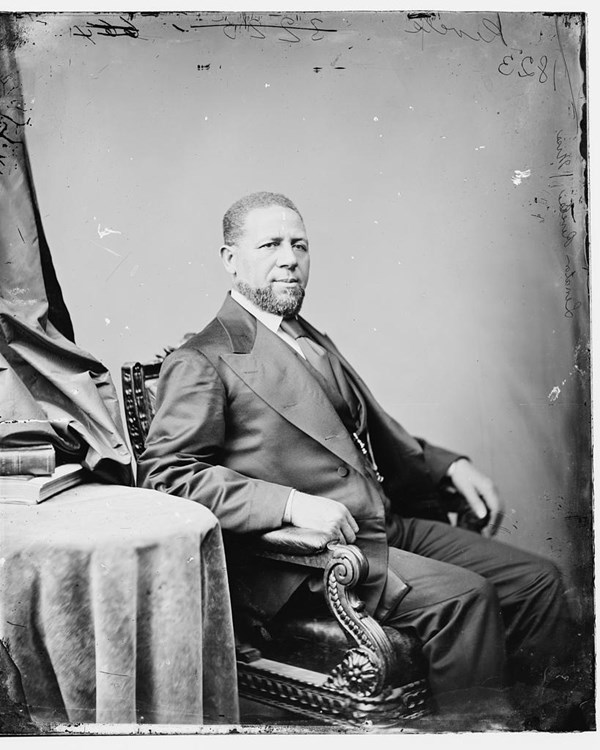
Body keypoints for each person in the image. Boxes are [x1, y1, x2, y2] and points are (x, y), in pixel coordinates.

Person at [137, 191, 571, 726]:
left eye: (299, 244)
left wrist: (446, 464)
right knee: (467, 598)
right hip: (316, 559)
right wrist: (290, 503)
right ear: (230, 259)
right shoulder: (203, 358)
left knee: (539, 581)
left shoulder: (307, 336)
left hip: (380, 523)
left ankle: (545, 730)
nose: (289, 258)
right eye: (270, 244)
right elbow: (167, 475)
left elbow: (369, 430)